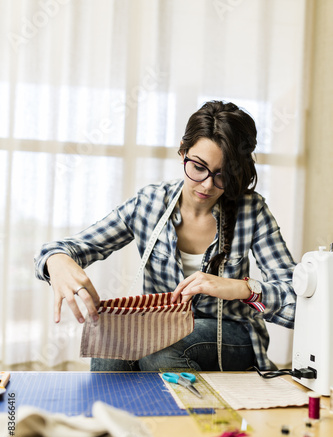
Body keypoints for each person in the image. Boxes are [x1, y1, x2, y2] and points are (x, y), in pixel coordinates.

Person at [35, 100, 296, 372]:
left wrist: (241, 288)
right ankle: (110, 415)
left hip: (232, 336)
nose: (207, 185)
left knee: (162, 349)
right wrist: (56, 259)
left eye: (222, 175)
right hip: (163, 326)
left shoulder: (251, 210)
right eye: (198, 167)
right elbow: (70, 248)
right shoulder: (149, 203)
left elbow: (295, 298)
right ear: (182, 152)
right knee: (109, 343)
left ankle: (186, 414)